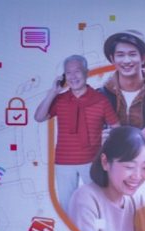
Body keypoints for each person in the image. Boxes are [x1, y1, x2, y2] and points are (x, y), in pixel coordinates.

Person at [34, 54, 120, 210]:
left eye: (77, 71)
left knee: (99, 206)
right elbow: (39, 117)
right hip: (64, 162)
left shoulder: (100, 100)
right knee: (67, 208)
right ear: (64, 76)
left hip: (92, 161)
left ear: (86, 73)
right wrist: (53, 92)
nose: (73, 76)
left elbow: (117, 129)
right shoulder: (60, 100)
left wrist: (107, 147)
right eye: (68, 73)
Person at [98, 30, 145, 128]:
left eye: (132, 54)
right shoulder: (100, 96)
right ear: (112, 59)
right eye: (120, 55)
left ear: (143, 58)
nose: (126, 61)